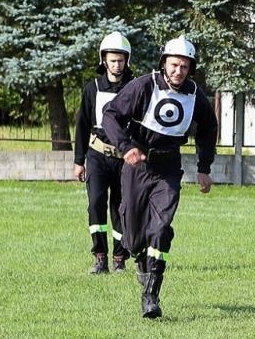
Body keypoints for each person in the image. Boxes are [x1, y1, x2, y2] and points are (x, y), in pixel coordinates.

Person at [101, 35, 218, 319]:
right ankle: (140, 257)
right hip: (137, 166)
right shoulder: (144, 86)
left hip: (168, 169)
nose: (179, 72)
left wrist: (204, 167)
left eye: (185, 67)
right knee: (131, 239)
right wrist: (126, 147)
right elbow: (110, 115)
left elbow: (208, 128)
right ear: (164, 63)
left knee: (161, 228)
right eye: (174, 65)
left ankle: (151, 295)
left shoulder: (195, 95)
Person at [72, 31, 135, 274]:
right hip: (97, 156)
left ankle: (120, 258)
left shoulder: (135, 87)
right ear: (104, 60)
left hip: (124, 159)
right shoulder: (93, 88)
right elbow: (82, 125)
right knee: (96, 204)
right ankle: (100, 257)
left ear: (127, 60)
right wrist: (79, 161)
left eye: (121, 60)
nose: (117, 64)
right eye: (112, 60)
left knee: (121, 207)